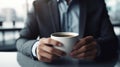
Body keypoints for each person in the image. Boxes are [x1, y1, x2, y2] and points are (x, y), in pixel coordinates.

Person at [16, 0, 118, 63]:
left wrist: (98, 48)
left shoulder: (96, 3)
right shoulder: (38, 5)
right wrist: (35, 47)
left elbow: (112, 41)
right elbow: (22, 40)